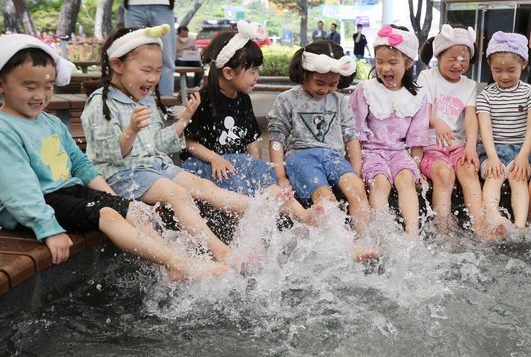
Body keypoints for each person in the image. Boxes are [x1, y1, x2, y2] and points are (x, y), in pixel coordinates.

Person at [0, 34, 229, 280]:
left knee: (135, 211)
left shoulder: (49, 122)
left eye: (48, 86)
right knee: (108, 215)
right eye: (30, 87)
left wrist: (113, 198)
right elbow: (18, 190)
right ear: (0, 83)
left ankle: (171, 265)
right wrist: (48, 229)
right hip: (29, 207)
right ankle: (181, 263)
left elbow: (81, 164)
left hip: (63, 193)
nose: (40, 95)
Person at [81, 25, 262, 266]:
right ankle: (220, 251)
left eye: (158, 71)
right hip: (122, 175)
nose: (154, 78)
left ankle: (259, 208)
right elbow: (110, 155)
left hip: (153, 167)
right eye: (146, 70)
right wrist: (131, 131)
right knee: (175, 192)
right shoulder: (101, 103)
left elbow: (158, 144)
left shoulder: (143, 100)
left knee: (201, 185)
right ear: (117, 65)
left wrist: (185, 119)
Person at [182, 21, 322, 227]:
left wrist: (258, 167)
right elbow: (190, 143)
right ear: (229, 72)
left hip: (237, 164)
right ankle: (245, 235)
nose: (257, 77)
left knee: (267, 178)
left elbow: (251, 142)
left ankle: (302, 215)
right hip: (207, 166)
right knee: (240, 186)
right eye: (252, 71)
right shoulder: (202, 100)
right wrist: (214, 159)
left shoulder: (243, 99)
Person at [267, 40, 373, 240]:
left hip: (332, 157)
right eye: (319, 83)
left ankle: (364, 239)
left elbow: (351, 138)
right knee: (325, 196)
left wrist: (355, 172)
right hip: (300, 157)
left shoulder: (340, 101)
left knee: (357, 188)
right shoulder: (287, 100)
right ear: (304, 73)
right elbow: (277, 138)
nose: (325, 89)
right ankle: (342, 244)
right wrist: (280, 176)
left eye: (333, 84)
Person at [349, 25, 429, 237]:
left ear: (408, 63)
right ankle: (381, 234)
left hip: (399, 153)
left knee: (406, 180)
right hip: (370, 152)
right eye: (380, 62)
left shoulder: (418, 96)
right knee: (380, 182)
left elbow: (417, 137)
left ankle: (413, 235)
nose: (385, 68)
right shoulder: (365, 91)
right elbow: (353, 132)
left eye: (392, 63)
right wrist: (355, 166)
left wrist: (416, 166)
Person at [417, 24, 485, 235]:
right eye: (452, 59)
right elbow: (421, 114)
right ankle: (443, 227)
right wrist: (436, 121)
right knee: (444, 174)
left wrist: (471, 148)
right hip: (430, 147)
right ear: (438, 56)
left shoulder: (469, 85)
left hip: (458, 146)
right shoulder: (427, 77)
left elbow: (471, 119)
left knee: (469, 171)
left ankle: (481, 228)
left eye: (463, 59)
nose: (458, 64)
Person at [476, 31, 531, 231]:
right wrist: (491, 157)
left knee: (519, 178)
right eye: (497, 70)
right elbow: (486, 129)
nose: (504, 76)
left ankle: (519, 226)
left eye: (511, 70)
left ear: (524, 64)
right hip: (493, 150)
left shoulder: (528, 93)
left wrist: (524, 155)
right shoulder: (485, 96)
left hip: (521, 150)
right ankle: (492, 215)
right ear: (489, 65)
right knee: (494, 175)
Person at [123, 0, 175, 97]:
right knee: (132, 57)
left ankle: (166, 104)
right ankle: (133, 102)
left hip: (164, 6)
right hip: (133, 6)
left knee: (166, 58)